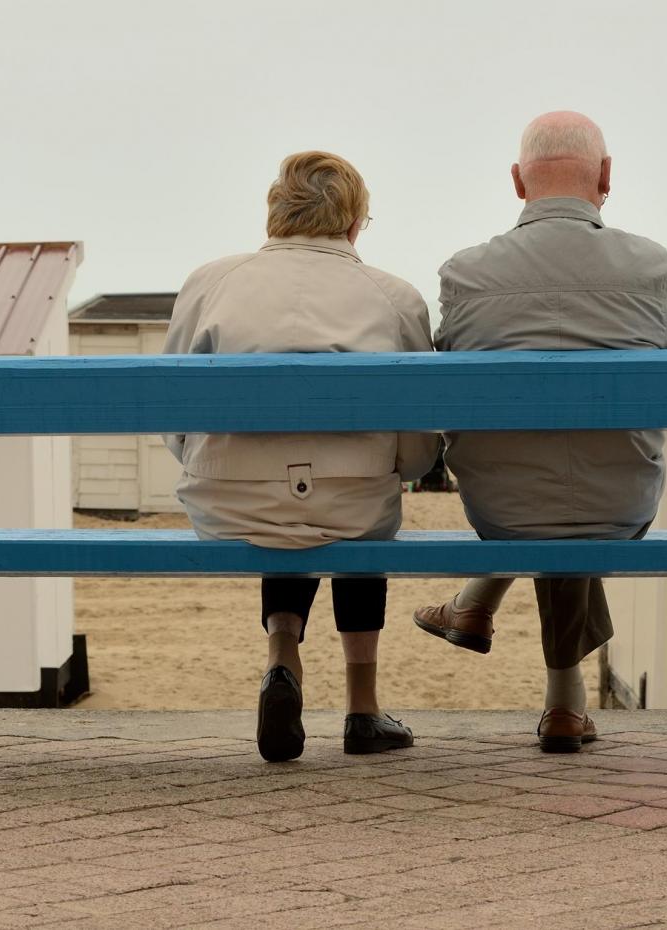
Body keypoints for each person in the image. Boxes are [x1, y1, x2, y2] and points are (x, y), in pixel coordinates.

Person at [413, 111, 667, 752]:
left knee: (537, 483)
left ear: (517, 181)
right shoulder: (652, 266)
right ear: (606, 177)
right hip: (622, 504)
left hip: (500, 510)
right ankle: (561, 703)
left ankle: (477, 605)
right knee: (582, 481)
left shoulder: (466, 274)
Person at [164, 151, 438, 762]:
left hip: (230, 505)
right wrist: (399, 470)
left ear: (274, 215)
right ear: (354, 223)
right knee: (354, 507)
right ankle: (362, 711)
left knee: (278, 503)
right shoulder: (395, 297)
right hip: (355, 506)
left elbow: (174, 416)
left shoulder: (210, 283)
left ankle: (283, 653)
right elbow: (419, 449)